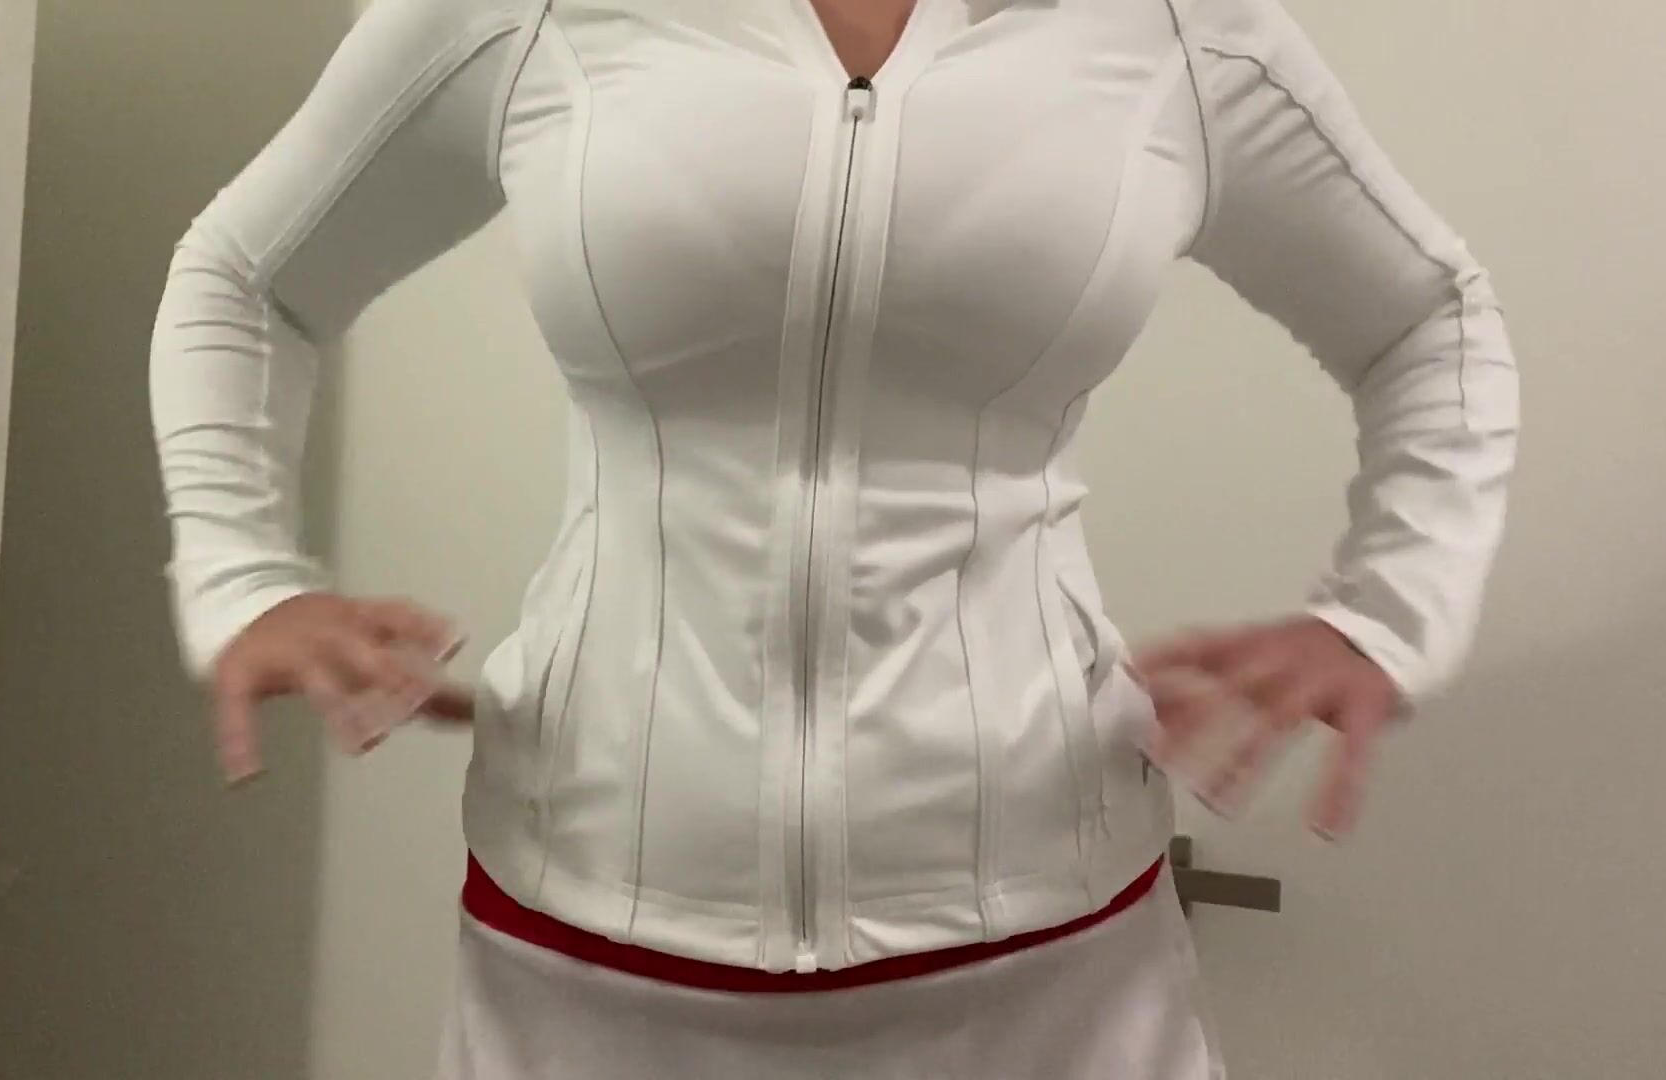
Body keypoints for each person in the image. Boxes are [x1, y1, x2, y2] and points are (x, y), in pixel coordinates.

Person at [146, 0, 1521, 1076]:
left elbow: (1427, 316)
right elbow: (249, 276)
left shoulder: (1163, 27)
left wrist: (1383, 614)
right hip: (588, 969)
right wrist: (242, 570)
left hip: (1050, 979)